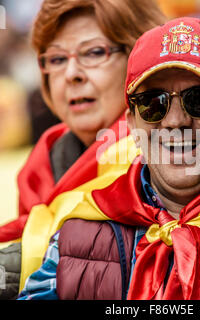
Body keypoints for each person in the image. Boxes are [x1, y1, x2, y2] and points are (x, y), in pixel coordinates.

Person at [18, 17, 200, 300]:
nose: (175, 121)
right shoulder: (80, 226)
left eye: (199, 100)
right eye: (154, 103)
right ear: (133, 125)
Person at [0, 0, 165, 299]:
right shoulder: (43, 162)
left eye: (94, 53)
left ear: (142, 61)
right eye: (56, 59)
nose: (71, 74)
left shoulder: (168, 161)